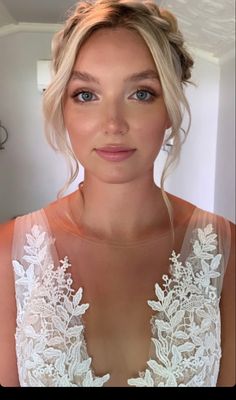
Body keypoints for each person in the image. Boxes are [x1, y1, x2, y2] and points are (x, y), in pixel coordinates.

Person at [0, 0, 235, 388]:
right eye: (86, 94)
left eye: (141, 93)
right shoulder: (11, 252)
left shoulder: (225, 248)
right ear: (63, 107)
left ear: (170, 110)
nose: (113, 124)